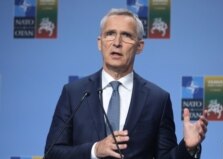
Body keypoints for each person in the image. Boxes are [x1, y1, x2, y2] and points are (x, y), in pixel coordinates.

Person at [44, 8, 208, 159]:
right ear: (99, 43)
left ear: (139, 46)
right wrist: (95, 150)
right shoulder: (74, 93)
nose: (117, 42)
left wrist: (187, 148)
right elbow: (52, 153)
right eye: (110, 34)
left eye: (127, 35)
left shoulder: (158, 99)